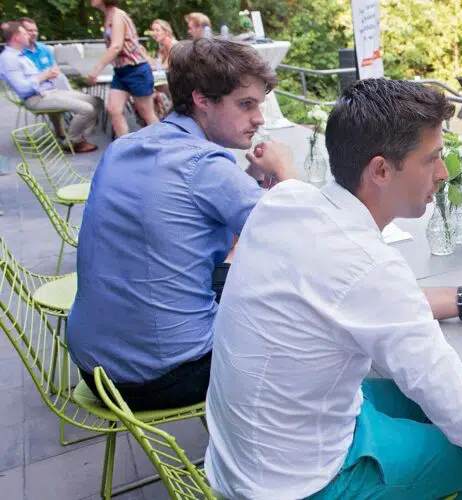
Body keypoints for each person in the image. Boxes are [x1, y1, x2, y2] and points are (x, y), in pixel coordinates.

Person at [205, 78, 462, 499]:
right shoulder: (370, 265)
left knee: (426, 402)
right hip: (296, 486)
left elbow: (358, 300)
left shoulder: (285, 200)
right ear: (381, 170)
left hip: (241, 457)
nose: (443, 173)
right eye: (432, 159)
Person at [67, 38, 295, 412]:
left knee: (241, 276)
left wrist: (251, 179)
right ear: (202, 99)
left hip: (95, 364)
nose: (259, 118)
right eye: (246, 104)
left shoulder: (126, 146)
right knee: (297, 315)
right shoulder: (205, 165)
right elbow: (303, 235)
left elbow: (192, 216)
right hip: (162, 376)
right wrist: (285, 169)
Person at [0, 21, 101, 153]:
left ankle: (77, 139)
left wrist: (48, 75)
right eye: (25, 33)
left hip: (50, 91)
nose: (29, 36)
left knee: (96, 101)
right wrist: (44, 75)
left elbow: (34, 77)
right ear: (16, 37)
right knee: (87, 109)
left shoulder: (21, 55)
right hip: (36, 98)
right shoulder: (9, 59)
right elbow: (23, 89)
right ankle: (72, 142)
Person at [87, 0, 158, 138]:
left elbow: (116, 46)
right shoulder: (108, 16)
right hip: (121, 71)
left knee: (147, 114)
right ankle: (124, 146)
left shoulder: (118, 15)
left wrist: (96, 69)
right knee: (114, 109)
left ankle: (163, 145)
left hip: (136, 70)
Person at [148, 19, 176, 117]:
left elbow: (164, 66)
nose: (154, 33)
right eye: (153, 30)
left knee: (153, 82)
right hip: (170, 81)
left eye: (157, 30)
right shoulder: (162, 49)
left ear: (166, 32)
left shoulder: (173, 45)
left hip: (180, 82)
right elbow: (156, 65)